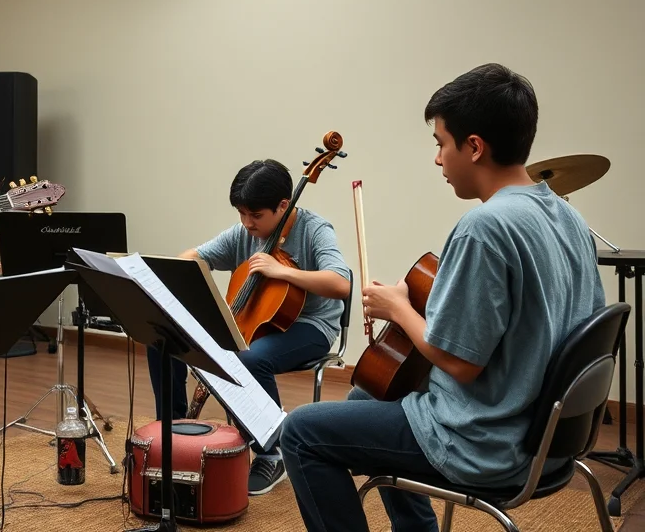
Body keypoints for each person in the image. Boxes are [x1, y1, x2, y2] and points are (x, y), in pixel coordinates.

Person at [279, 63, 607, 531]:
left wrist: (399, 308)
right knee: (367, 392)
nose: (437, 159)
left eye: (440, 143)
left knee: (300, 432)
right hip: (547, 439)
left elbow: (459, 362)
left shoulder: (485, 227)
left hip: (485, 443)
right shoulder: (567, 215)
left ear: (474, 147)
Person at [146, 158, 352, 496]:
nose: (246, 223)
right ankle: (172, 431)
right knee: (162, 335)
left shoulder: (315, 229)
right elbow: (197, 256)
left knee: (249, 358)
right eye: (241, 213)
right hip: (255, 320)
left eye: (255, 215)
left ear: (283, 206)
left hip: (310, 325)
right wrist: (173, 270)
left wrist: (282, 271)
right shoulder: (244, 231)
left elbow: (340, 283)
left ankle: (271, 452)